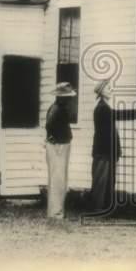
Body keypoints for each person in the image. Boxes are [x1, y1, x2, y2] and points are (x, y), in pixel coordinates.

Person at [91, 80, 136, 213]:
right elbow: (118, 115)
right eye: (108, 88)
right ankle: (98, 208)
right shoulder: (102, 108)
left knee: (108, 181)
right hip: (104, 152)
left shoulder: (104, 107)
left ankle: (104, 208)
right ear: (101, 91)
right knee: (102, 181)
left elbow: (115, 116)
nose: (111, 90)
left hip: (106, 152)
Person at [45, 82, 76, 220]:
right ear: (61, 97)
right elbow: (49, 125)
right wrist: (55, 141)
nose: (70, 99)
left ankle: (55, 211)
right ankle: (56, 213)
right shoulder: (58, 109)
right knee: (58, 179)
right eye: (67, 96)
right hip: (59, 146)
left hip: (58, 144)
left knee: (57, 179)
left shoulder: (55, 108)